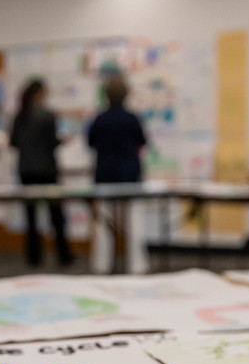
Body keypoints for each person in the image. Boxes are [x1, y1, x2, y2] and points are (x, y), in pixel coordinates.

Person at [88, 74, 149, 273]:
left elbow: (90, 143)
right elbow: (142, 142)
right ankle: (137, 266)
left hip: (104, 176)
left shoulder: (100, 119)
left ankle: (101, 265)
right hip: (130, 176)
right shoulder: (132, 119)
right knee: (134, 222)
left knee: (103, 224)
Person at [10, 78, 73, 267]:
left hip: (26, 170)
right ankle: (63, 254)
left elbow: (13, 143)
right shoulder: (46, 116)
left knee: (30, 216)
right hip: (46, 170)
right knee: (55, 213)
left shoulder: (19, 116)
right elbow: (52, 142)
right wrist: (63, 140)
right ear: (39, 93)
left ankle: (33, 256)